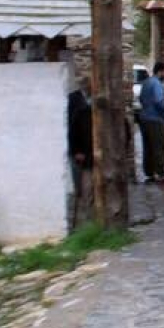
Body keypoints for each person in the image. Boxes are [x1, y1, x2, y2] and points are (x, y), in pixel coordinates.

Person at [139, 62, 164, 184]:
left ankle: (149, 172)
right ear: (160, 71)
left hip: (144, 118)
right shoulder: (156, 84)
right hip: (155, 118)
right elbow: (159, 101)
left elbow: (141, 99)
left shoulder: (146, 82)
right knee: (161, 146)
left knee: (148, 146)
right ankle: (160, 172)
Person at [67, 76, 93, 226]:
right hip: (83, 155)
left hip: (96, 155)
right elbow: (72, 131)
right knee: (83, 189)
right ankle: (83, 222)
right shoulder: (77, 106)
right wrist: (77, 151)